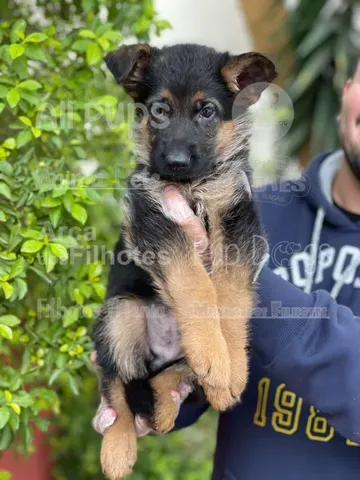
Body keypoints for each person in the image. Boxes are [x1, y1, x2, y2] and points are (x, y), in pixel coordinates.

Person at [93, 62, 360, 479]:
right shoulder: (260, 206)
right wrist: (150, 383)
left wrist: (238, 287)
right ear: (347, 90)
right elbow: (207, 389)